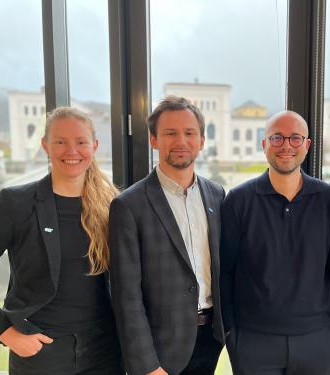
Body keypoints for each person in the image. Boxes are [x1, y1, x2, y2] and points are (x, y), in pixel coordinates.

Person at [0, 107, 123, 374]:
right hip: (41, 354)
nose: (72, 151)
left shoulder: (113, 206)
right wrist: (4, 332)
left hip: (104, 353)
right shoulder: (16, 204)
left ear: (94, 146)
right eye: (60, 142)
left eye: (81, 142)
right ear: (45, 145)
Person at [220, 111, 330, 375]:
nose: (286, 145)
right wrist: (231, 332)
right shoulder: (238, 200)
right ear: (264, 144)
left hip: (317, 339)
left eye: (295, 138)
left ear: (307, 145)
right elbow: (225, 271)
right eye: (276, 138)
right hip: (253, 340)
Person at [108, 96, 225, 375]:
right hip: (159, 348)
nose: (180, 141)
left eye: (189, 133)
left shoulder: (217, 195)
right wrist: (146, 364)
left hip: (211, 338)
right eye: (170, 133)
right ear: (154, 140)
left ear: (201, 140)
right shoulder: (128, 205)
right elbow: (126, 296)